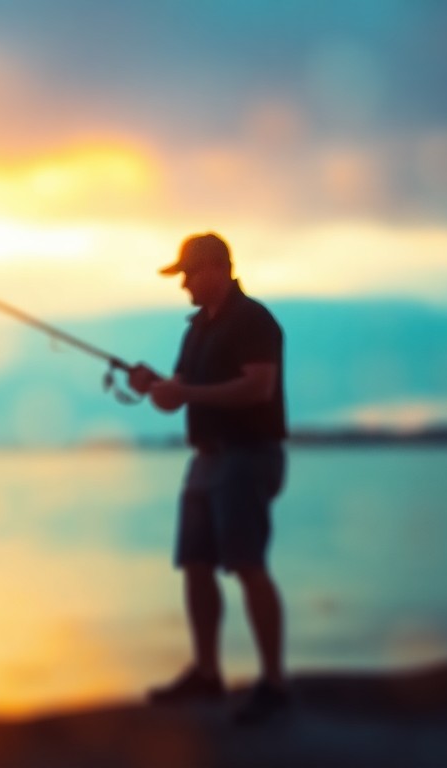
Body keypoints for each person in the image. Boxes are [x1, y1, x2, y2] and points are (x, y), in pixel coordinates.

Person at [128, 232, 290, 725]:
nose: (184, 286)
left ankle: (274, 684)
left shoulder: (254, 319)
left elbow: (259, 387)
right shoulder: (196, 329)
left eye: (189, 275)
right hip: (205, 460)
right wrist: (153, 384)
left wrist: (186, 393)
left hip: (248, 456)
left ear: (217, 269)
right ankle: (207, 671)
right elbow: (180, 392)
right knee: (195, 564)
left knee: (246, 564)